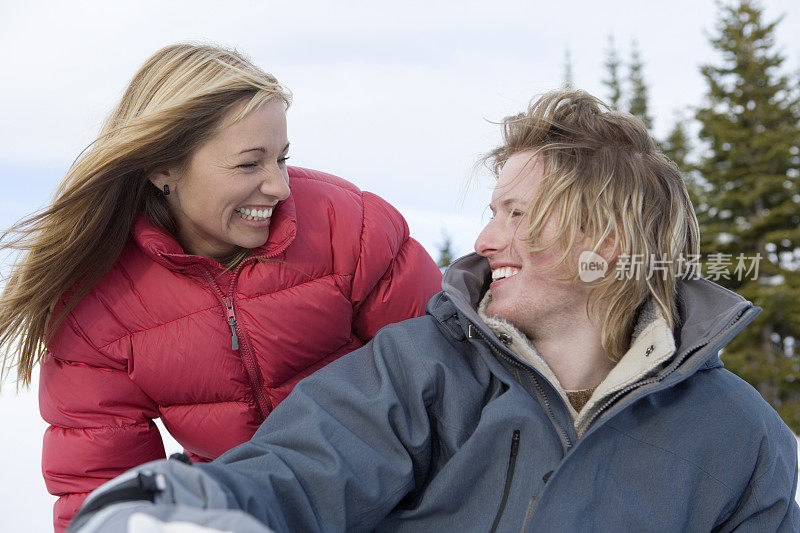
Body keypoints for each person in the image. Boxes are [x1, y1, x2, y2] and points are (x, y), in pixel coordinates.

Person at [67, 89, 799, 532]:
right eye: (491, 213)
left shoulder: (740, 438)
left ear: (601, 244)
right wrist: (175, 501)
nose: (484, 242)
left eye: (515, 214)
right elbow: (301, 467)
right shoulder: (426, 371)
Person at [0, 44, 442, 532]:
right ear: (163, 168)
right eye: (249, 165)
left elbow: (446, 378)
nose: (280, 186)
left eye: (282, 158)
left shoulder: (349, 228)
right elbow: (102, 486)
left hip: (411, 505)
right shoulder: (98, 307)